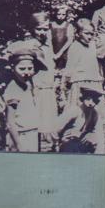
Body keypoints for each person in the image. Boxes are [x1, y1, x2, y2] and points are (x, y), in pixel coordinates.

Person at [4, 39, 45, 152]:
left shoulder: (29, 83)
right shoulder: (13, 88)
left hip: (32, 132)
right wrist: (18, 145)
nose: (26, 72)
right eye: (22, 69)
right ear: (13, 68)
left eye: (30, 68)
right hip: (20, 135)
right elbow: (10, 122)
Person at [27, 13, 59, 149]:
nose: (42, 32)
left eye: (45, 29)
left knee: (49, 124)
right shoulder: (30, 45)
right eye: (39, 29)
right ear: (32, 29)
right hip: (37, 89)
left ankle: (50, 149)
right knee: (38, 124)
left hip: (49, 89)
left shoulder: (47, 45)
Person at [64, 18, 104, 104]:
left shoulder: (93, 45)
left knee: (95, 109)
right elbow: (70, 67)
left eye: (91, 34)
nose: (89, 36)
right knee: (79, 107)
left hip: (94, 82)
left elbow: (96, 63)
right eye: (86, 33)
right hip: (80, 84)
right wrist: (66, 83)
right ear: (78, 33)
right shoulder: (75, 47)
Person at [57, 85, 105, 154]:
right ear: (83, 98)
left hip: (81, 145)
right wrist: (56, 145)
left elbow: (100, 135)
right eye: (88, 99)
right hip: (67, 145)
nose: (91, 103)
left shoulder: (95, 114)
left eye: (94, 100)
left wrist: (92, 135)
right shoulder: (75, 111)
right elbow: (56, 128)